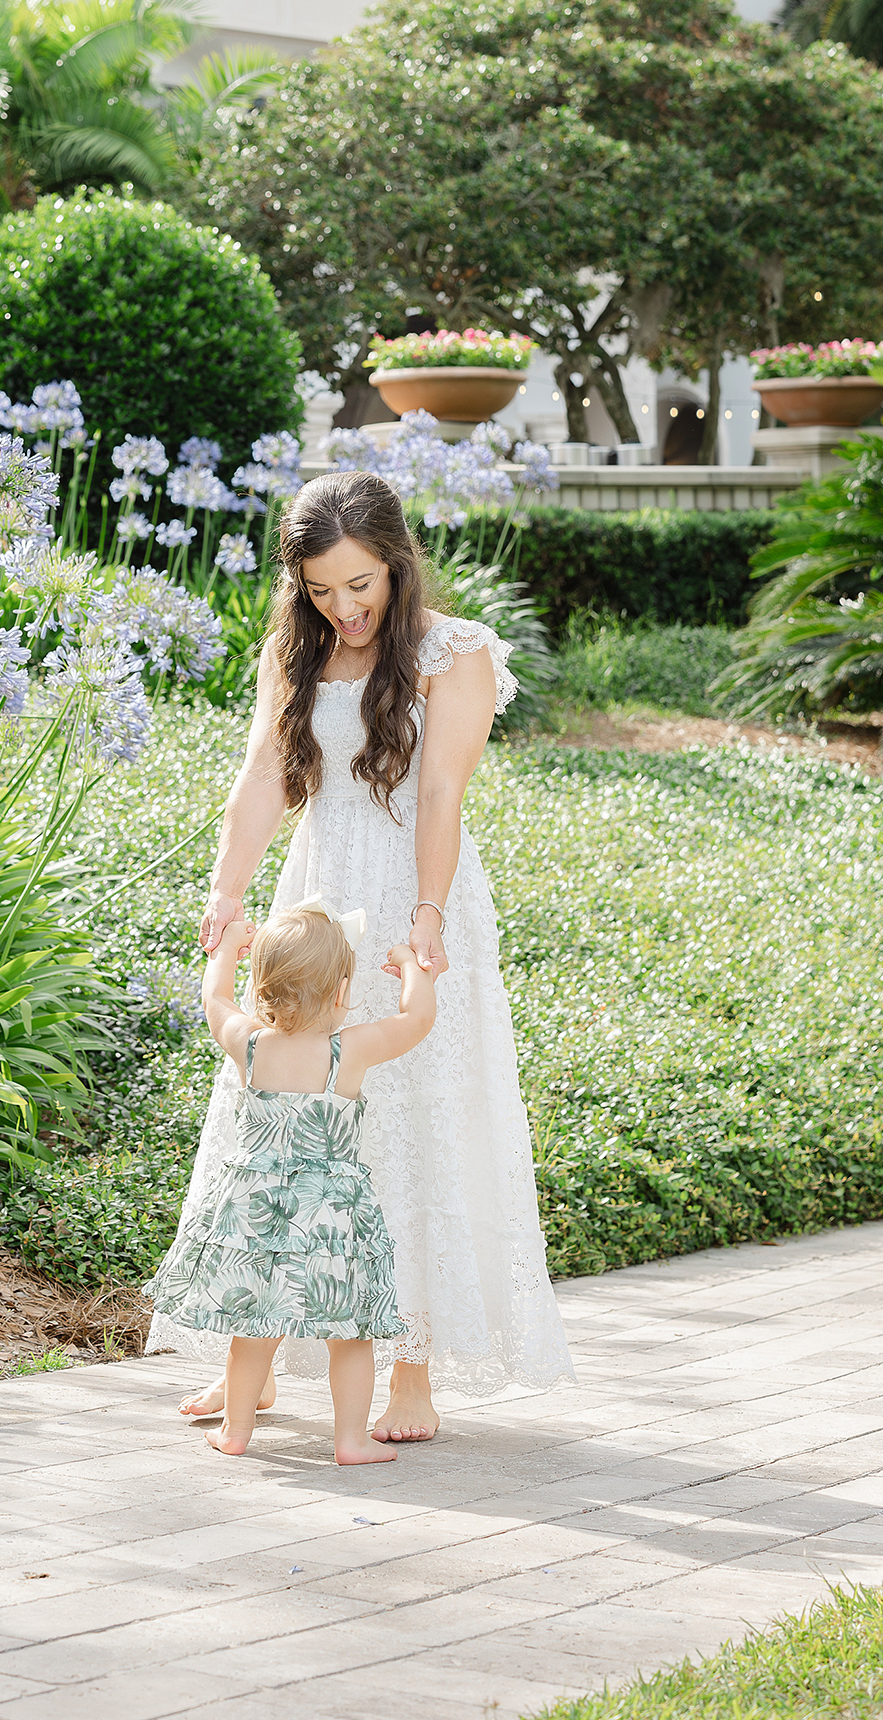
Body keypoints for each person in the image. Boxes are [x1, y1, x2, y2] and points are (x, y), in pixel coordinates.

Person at [147, 469, 573, 1439]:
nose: (341, 607)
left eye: (359, 584)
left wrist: (424, 913)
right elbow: (262, 775)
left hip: (413, 898)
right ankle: (248, 1360)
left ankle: (409, 1366)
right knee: (274, 1118)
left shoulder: (448, 654)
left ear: (395, 562)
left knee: (409, 1117)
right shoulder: (293, 653)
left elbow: (438, 795)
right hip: (315, 897)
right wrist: (225, 890)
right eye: (319, 589)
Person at [143, 899, 436, 1465]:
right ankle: (349, 1442)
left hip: (256, 1214)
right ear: (341, 990)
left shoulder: (249, 1044)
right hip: (330, 1219)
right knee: (349, 1333)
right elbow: (416, 1021)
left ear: (264, 987)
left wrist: (227, 948)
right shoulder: (346, 1051)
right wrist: (411, 968)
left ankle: (235, 1432)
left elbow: (214, 999)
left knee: (252, 1329)